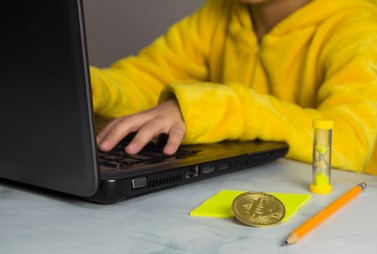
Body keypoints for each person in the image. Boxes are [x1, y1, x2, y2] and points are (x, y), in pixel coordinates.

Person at [90, 0, 377, 175]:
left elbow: (349, 141)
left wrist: (219, 109)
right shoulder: (218, 13)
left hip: (338, 210)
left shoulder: (360, 27)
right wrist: (89, 89)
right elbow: (146, 80)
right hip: (244, 195)